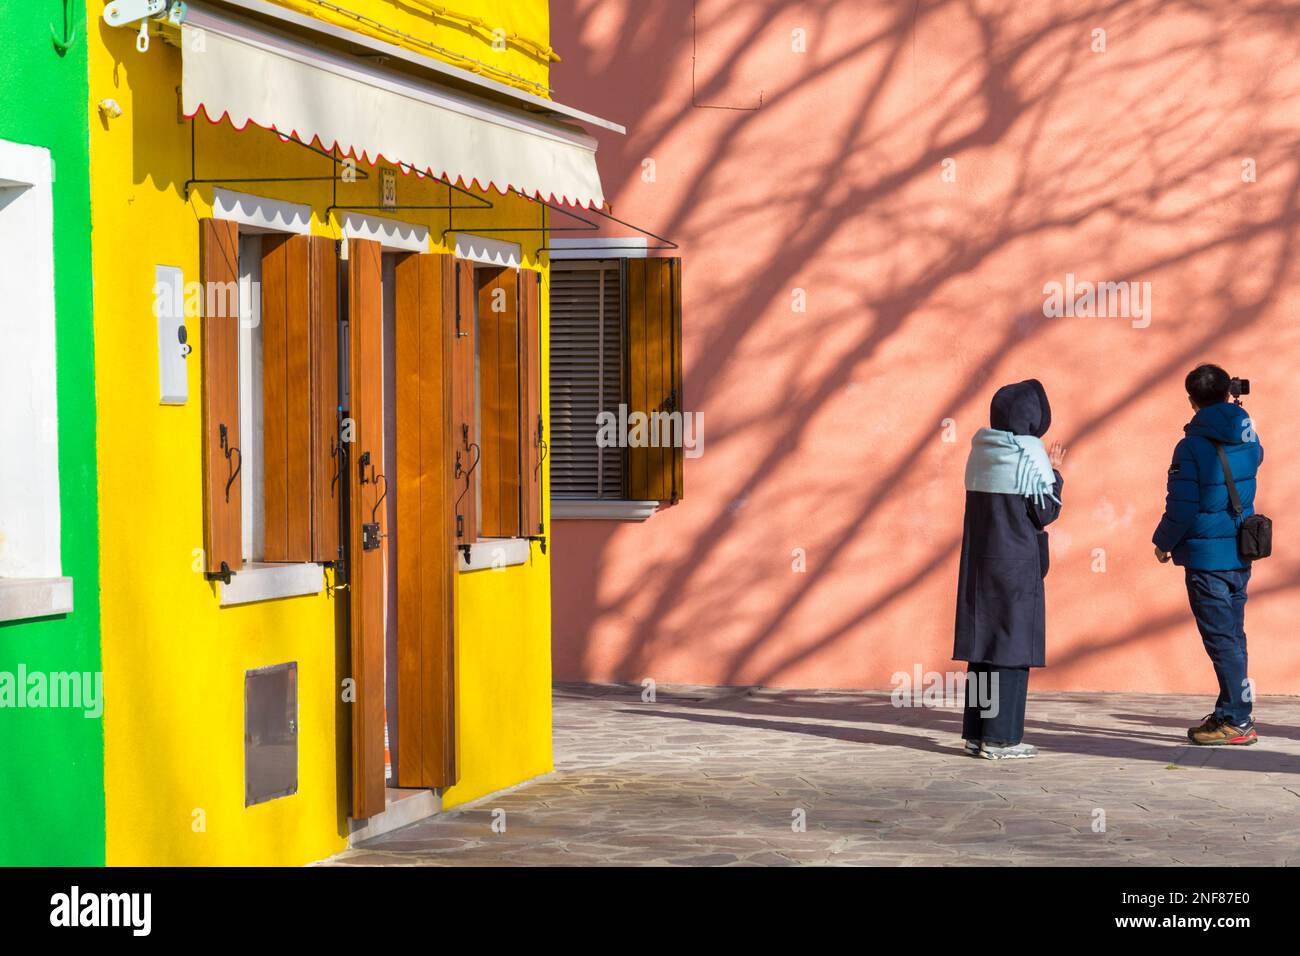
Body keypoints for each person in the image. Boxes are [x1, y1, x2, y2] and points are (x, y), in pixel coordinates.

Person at [1153, 364, 1263, 746]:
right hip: (1239, 551)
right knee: (1233, 635)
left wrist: (1163, 541)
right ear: (1225, 391)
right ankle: (1233, 710)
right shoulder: (1247, 432)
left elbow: (1181, 504)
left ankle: (1237, 720)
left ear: (1190, 400)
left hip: (1206, 558)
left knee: (1221, 640)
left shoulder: (1191, 445)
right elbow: (1257, 457)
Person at [954, 380, 1065, 759]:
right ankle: (1001, 740)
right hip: (1016, 565)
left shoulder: (981, 449)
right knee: (1012, 649)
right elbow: (1044, 510)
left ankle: (977, 732)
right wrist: (1057, 472)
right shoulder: (1030, 454)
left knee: (984, 647)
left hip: (980, 562)